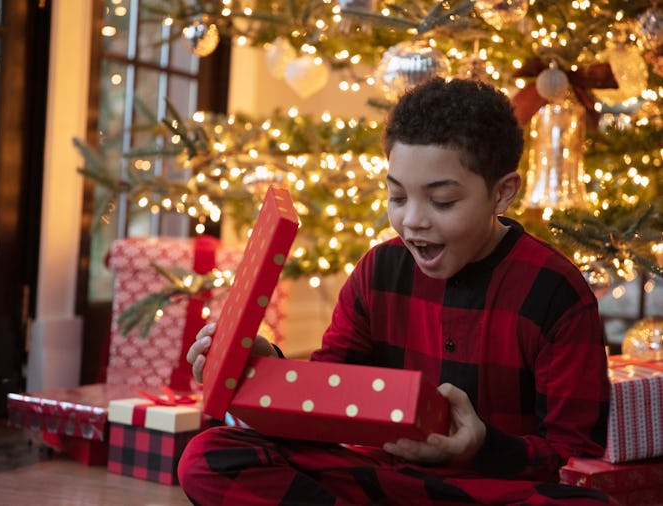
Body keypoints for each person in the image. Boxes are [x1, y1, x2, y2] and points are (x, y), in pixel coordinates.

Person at [178, 77, 613, 505]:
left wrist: (481, 445)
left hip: (487, 488)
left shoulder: (557, 292)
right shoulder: (378, 270)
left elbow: (571, 456)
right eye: (398, 197)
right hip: (377, 476)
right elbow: (326, 394)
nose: (413, 221)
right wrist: (265, 365)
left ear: (502, 194)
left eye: (442, 201)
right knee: (209, 456)